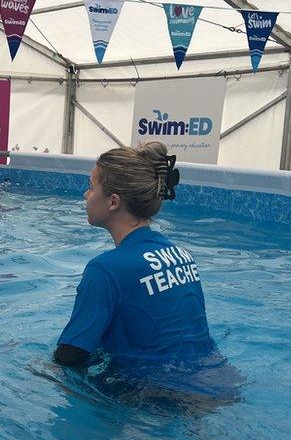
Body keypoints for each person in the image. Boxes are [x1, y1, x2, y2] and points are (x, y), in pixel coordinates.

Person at [55, 142, 217, 373]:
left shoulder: (105, 269)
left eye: (91, 187)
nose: (86, 195)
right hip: (215, 380)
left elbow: (69, 357)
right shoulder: (181, 255)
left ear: (113, 202)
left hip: (156, 398)